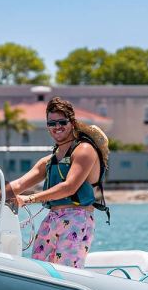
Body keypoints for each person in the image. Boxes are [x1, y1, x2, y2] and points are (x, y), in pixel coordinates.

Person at [6, 97, 109, 268]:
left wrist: (29, 199)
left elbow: (69, 187)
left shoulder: (84, 150)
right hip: (52, 218)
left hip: (77, 219)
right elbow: (17, 185)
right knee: (38, 269)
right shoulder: (49, 161)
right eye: (52, 123)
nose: (57, 127)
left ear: (72, 122)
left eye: (62, 122)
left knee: (65, 272)